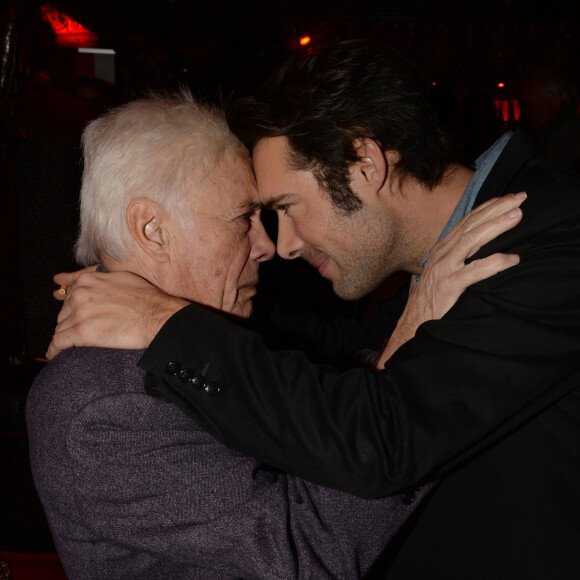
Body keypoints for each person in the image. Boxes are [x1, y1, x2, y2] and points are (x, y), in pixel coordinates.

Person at [46, 40, 580, 578]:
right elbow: (335, 361)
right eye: (247, 217)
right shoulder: (107, 398)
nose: (279, 246)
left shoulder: (547, 241)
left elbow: (381, 433)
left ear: (365, 164)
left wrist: (158, 318)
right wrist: (139, 302)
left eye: (283, 209)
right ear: (151, 229)